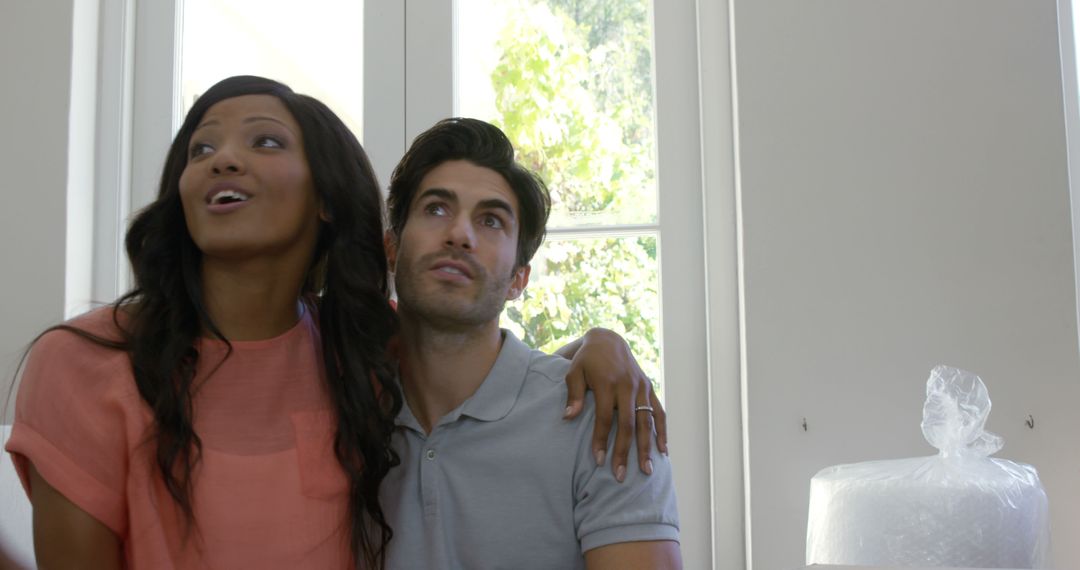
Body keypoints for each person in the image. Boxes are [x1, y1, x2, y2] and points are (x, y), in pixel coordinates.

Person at [4, 76, 662, 569]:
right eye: (201, 147)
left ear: (324, 198)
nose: (222, 159)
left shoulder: (351, 344)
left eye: (263, 141)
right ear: (389, 246)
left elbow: (472, 349)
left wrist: (601, 345)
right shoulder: (85, 364)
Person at [380, 118, 681, 569]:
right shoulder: (342, 407)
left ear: (519, 279)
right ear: (391, 248)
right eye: (436, 208)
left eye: (491, 220)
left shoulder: (602, 418)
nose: (460, 234)